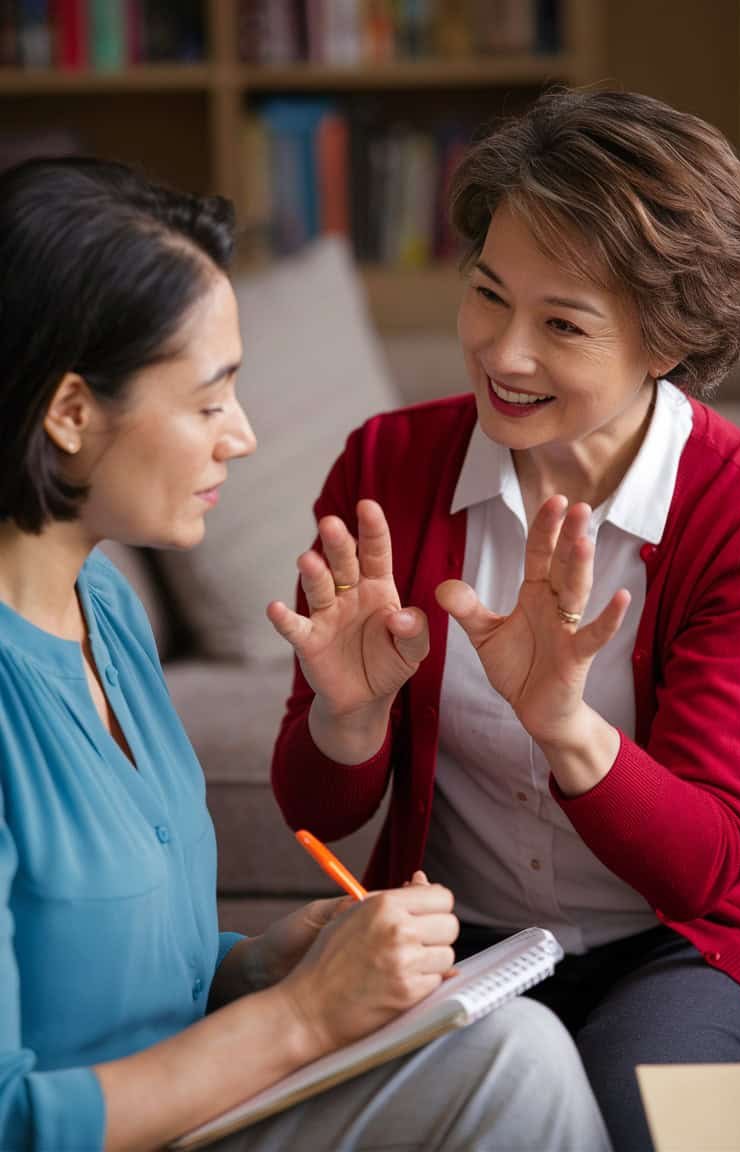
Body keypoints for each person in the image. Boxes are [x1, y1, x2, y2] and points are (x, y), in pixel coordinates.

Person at [0, 155, 611, 1152]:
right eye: (209, 401)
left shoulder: (101, 606)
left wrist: (266, 966)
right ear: (70, 414)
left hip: (199, 1110)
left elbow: (128, 979)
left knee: (515, 1049)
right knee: (516, 1071)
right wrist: (302, 1018)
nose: (240, 437)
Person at [269, 87, 740, 1152]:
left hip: (687, 949)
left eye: (563, 324)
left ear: (667, 340)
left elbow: (708, 865)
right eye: (489, 295)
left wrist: (565, 725)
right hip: (465, 950)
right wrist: (349, 720)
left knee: (669, 1121)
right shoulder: (385, 464)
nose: (504, 351)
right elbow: (307, 804)